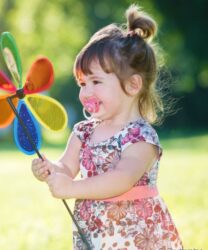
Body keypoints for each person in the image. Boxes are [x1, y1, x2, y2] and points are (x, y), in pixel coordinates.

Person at [31, 4, 183, 250]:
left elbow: (122, 178)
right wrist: (50, 169)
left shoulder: (141, 137)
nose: (86, 92)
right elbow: (67, 167)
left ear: (133, 85)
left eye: (96, 81)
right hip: (95, 234)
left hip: (136, 237)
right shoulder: (84, 131)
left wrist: (72, 188)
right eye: (82, 83)